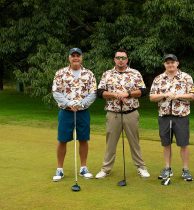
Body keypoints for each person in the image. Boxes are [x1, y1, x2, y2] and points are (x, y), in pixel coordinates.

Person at [95, 48, 150, 178]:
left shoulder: (135, 73)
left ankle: (141, 167)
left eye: (123, 58)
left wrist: (128, 93)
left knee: (134, 142)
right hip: (113, 113)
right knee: (111, 143)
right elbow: (100, 92)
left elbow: (143, 91)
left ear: (127, 59)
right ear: (114, 59)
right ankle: (106, 169)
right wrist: (114, 94)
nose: (121, 60)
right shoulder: (107, 74)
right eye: (118, 58)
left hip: (131, 113)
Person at [52, 48, 97, 181]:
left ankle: (83, 168)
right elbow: (56, 91)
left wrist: (81, 104)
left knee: (83, 138)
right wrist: (68, 104)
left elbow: (93, 92)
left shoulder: (89, 74)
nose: (75, 58)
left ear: (81, 57)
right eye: (73, 56)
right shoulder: (60, 73)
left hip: (82, 112)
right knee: (62, 139)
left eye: (78, 55)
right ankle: (59, 169)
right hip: (66, 112)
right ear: (69, 58)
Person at [150, 54, 194, 181]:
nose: (170, 65)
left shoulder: (186, 77)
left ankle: (186, 170)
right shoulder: (158, 79)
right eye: (167, 63)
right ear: (164, 64)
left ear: (177, 63)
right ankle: (167, 168)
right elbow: (152, 97)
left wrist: (177, 96)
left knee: (183, 144)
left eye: (172, 62)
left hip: (181, 115)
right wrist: (165, 94)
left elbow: (192, 96)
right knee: (166, 143)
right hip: (164, 115)